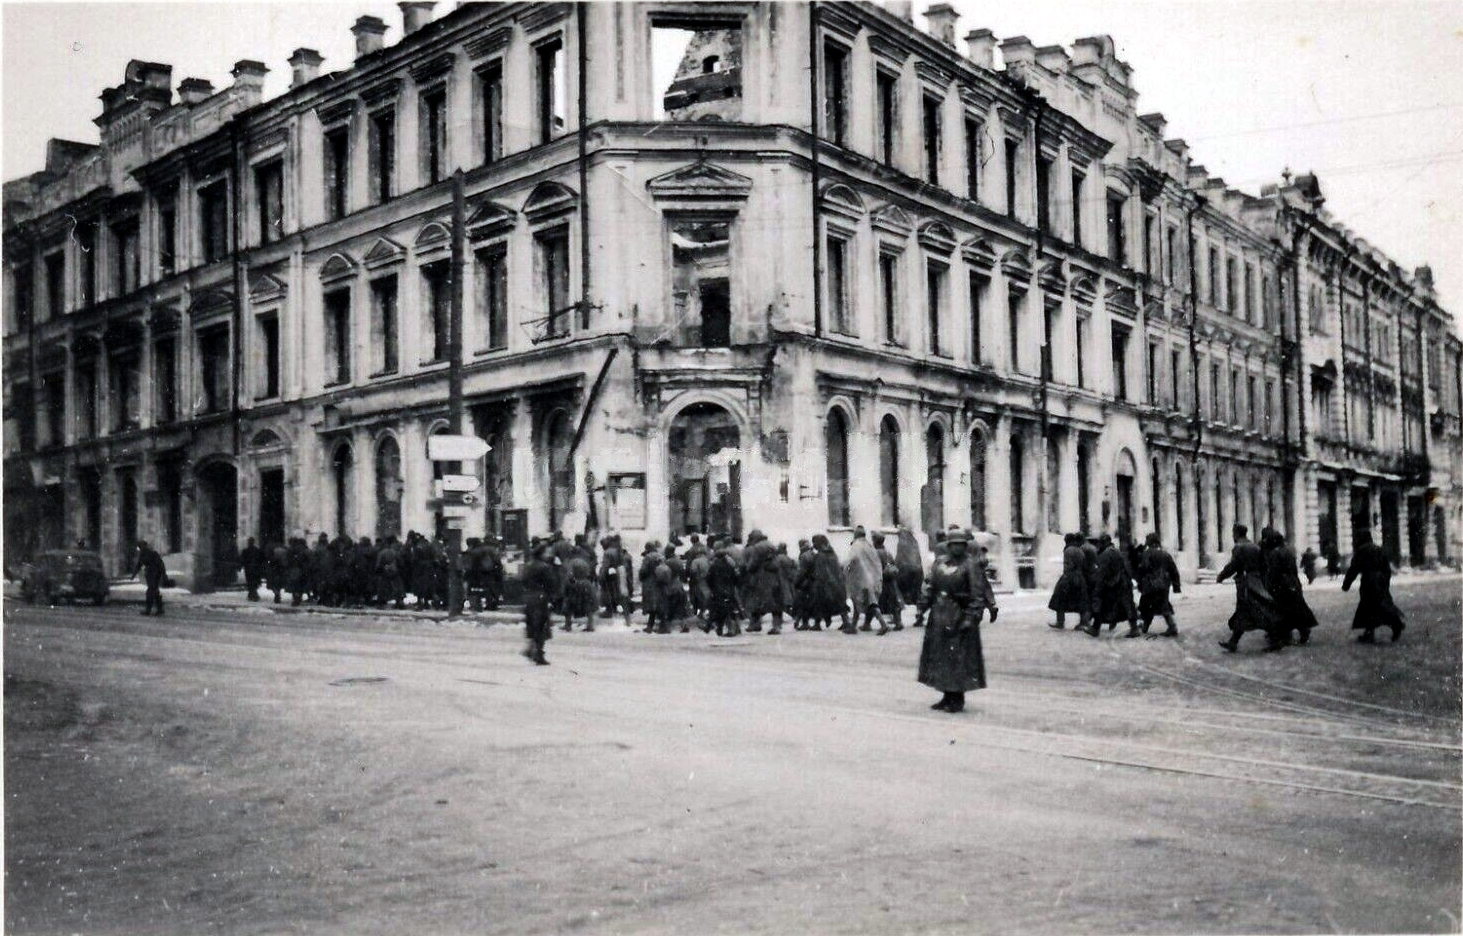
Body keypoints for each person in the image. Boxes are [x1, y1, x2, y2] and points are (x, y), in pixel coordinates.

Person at [917, 530, 996, 714]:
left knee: (959, 658)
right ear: (949, 545)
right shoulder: (940, 563)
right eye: (954, 544)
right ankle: (946, 694)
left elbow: (977, 594)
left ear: (965, 545)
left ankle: (957, 698)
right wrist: (923, 605)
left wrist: (971, 617)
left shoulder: (971, 565)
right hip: (939, 616)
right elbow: (931, 586)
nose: (957, 547)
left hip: (960, 616)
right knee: (941, 657)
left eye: (961, 543)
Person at [1215, 524, 1284, 652]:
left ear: (1236, 533)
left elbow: (1233, 565)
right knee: (1245, 612)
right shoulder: (1255, 546)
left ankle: (1276, 640)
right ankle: (1233, 642)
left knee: (1255, 611)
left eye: (1233, 533)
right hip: (1257, 580)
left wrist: (1221, 576)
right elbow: (1264, 565)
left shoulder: (1239, 547)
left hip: (1246, 583)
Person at [1342, 531, 1406, 643]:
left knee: (1371, 606)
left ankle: (1396, 624)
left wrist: (1346, 584)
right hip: (1380, 581)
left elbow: (1354, 569)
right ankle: (1370, 633)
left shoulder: (1361, 550)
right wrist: (1385, 582)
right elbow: (1387, 568)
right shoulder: (1378, 549)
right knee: (1378, 605)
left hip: (1369, 582)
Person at [1262, 529, 1317, 645]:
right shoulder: (1289, 551)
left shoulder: (1275, 553)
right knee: (1294, 609)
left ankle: (1289, 634)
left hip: (1281, 586)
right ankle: (1297, 632)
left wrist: (1269, 585)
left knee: (1283, 610)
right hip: (1292, 582)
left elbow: (1274, 572)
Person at [1091, 534, 1140, 637]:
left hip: (1114, 584)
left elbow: (1102, 572)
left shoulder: (1106, 554)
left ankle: (1095, 629)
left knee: (1103, 604)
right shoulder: (1116, 551)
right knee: (1128, 605)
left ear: (1104, 543)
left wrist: (1098, 587)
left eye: (1100, 543)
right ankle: (1134, 628)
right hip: (1123, 582)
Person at [843, 526, 889, 635]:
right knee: (861, 602)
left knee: (869, 603)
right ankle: (853, 627)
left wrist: (845, 571)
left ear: (856, 535)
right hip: (874, 578)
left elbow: (851, 560)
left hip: (861, 579)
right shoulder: (869, 546)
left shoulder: (856, 545)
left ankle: (883, 624)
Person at [1136, 532, 1182, 637]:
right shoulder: (1165, 554)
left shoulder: (1146, 554)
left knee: (1146, 605)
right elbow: (1174, 570)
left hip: (1150, 585)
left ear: (1149, 542)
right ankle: (1170, 626)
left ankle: (1169, 627)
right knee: (1163, 604)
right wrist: (1176, 586)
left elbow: (1141, 570)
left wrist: (1139, 583)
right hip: (1164, 585)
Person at [741, 530, 785, 635]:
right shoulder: (771, 545)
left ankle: (755, 624)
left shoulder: (758, 547)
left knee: (757, 600)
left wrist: (748, 568)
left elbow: (753, 564)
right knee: (775, 602)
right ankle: (776, 625)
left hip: (762, 578)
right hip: (774, 576)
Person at [521, 542, 557, 665]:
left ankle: (531, 649)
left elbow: (523, 580)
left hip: (529, 597)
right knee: (541, 626)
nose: (549, 554)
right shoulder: (544, 567)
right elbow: (551, 584)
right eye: (547, 552)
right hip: (541, 598)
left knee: (533, 625)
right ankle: (538, 654)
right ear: (542, 553)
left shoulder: (528, 565)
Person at [1047, 532, 1091, 632]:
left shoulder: (1068, 550)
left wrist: (1065, 576)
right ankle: (1083, 623)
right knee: (1081, 600)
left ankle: (1060, 622)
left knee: (1059, 598)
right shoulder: (1080, 550)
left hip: (1070, 576)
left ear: (1068, 540)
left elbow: (1068, 565)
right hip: (1080, 577)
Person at [809, 534, 851, 632]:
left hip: (825, 584)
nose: (813, 545)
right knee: (840, 603)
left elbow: (821, 573)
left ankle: (817, 624)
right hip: (837, 583)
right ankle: (846, 622)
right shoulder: (832, 553)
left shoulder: (820, 556)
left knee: (818, 603)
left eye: (814, 542)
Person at [706, 541, 741, 637]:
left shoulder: (714, 565)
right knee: (732, 608)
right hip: (730, 589)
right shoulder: (731, 562)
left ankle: (720, 628)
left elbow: (709, 578)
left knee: (719, 609)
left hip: (718, 590)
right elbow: (736, 576)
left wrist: (712, 588)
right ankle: (735, 628)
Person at [873, 531, 905, 630]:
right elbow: (893, 563)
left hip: (881, 580)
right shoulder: (888, 552)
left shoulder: (875, 553)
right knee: (894, 601)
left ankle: (873, 623)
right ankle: (898, 621)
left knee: (874, 602)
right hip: (891, 580)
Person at [895, 527, 925, 629]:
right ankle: (920, 616)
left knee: (897, 594)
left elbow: (899, 559)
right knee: (918, 596)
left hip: (905, 572)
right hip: (917, 572)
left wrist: (896, 569)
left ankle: (897, 619)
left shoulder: (902, 543)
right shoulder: (914, 542)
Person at [132, 540, 167, 616]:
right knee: (155, 592)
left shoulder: (152, 553)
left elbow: (161, 564)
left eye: (140, 547)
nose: (139, 549)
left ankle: (149, 610)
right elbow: (139, 565)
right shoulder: (143, 554)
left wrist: (164, 575)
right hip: (150, 574)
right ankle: (159, 609)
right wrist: (133, 575)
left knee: (150, 591)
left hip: (155, 574)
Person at [240, 537, 266, 601]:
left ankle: (253, 594)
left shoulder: (247, 551)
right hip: (253, 569)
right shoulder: (256, 550)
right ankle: (253, 594)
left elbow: (242, 560)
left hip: (250, 569)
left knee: (251, 582)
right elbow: (262, 559)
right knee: (253, 582)